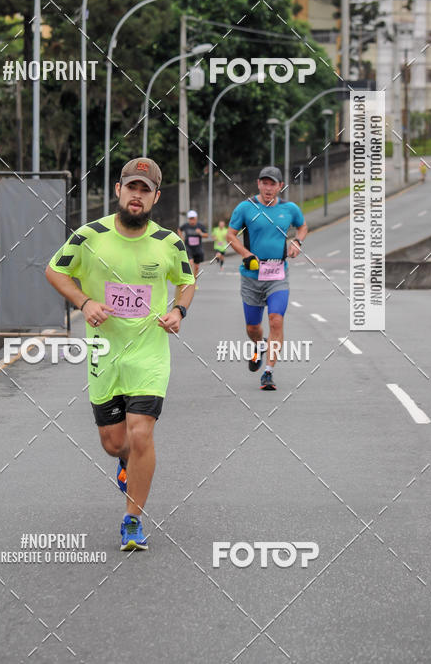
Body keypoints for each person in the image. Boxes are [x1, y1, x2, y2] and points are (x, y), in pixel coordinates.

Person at [45, 157, 195, 551]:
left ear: (156, 197)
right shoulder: (89, 236)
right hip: (104, 352)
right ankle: (126, 461)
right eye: (132, 187)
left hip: (149, 353)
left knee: (141, 432)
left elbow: (186, 280)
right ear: (118, 190)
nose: (137, 195)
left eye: (146, 190)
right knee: (114, 442)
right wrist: (84, 302)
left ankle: (133, 520)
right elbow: (55, 270)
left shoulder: (169, 242)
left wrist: (179, 311)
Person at [226, 166, 308, 391]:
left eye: (272, 184)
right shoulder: (246, 208)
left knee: (275, 320)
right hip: (251, 276)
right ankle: (259, 344)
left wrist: (297, 241)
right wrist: (246, 254)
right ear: (258, 184)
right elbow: (230, 235)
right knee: (252, 327)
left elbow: (302, 226)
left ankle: (268, 372)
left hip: (278, 274)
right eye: (264, 183)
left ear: (280, 186)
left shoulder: (289, 209)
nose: (268, 188)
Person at [178, 210, 209, 279]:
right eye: (190, 219)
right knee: (190, 262)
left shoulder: (200, 226)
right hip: (188, 247)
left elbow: (206, 235)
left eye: (193, 218)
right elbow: (179, 229)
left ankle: (194, 281)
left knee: (197, 267)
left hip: (198, 248)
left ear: (196, 218)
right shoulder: (186, 225)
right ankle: (189, 279)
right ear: (188, 219)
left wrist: (200, 233)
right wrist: (181, 237)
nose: (192, 220)